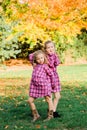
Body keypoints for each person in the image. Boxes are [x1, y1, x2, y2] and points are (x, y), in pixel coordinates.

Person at [28, 50, 56, 122]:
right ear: (35, 60)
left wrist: (53, 84)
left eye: (42, 58)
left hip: (44, 86)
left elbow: (52, 75)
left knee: (48, 100)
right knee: (30, 100)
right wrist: (38, 53)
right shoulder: (35, 65)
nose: (40, 60)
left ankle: (50, 115)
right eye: (38, 59)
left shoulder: (45, 66)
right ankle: (36, 115)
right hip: (35, 87)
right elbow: (30, 56)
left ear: (44, 58)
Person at [44, 40, 61, 118]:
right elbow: (32, 56)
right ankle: (51, 113)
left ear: (54, 48)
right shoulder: (45, 57)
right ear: (45, 49)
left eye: (52, 47)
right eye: (48, 48)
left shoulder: (55, 55)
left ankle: (53, 111)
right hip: (47, 78)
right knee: (49, 97)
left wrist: (55, 55)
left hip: (55, 77)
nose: (50, 49)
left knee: (57, 96)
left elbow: (57, 63)